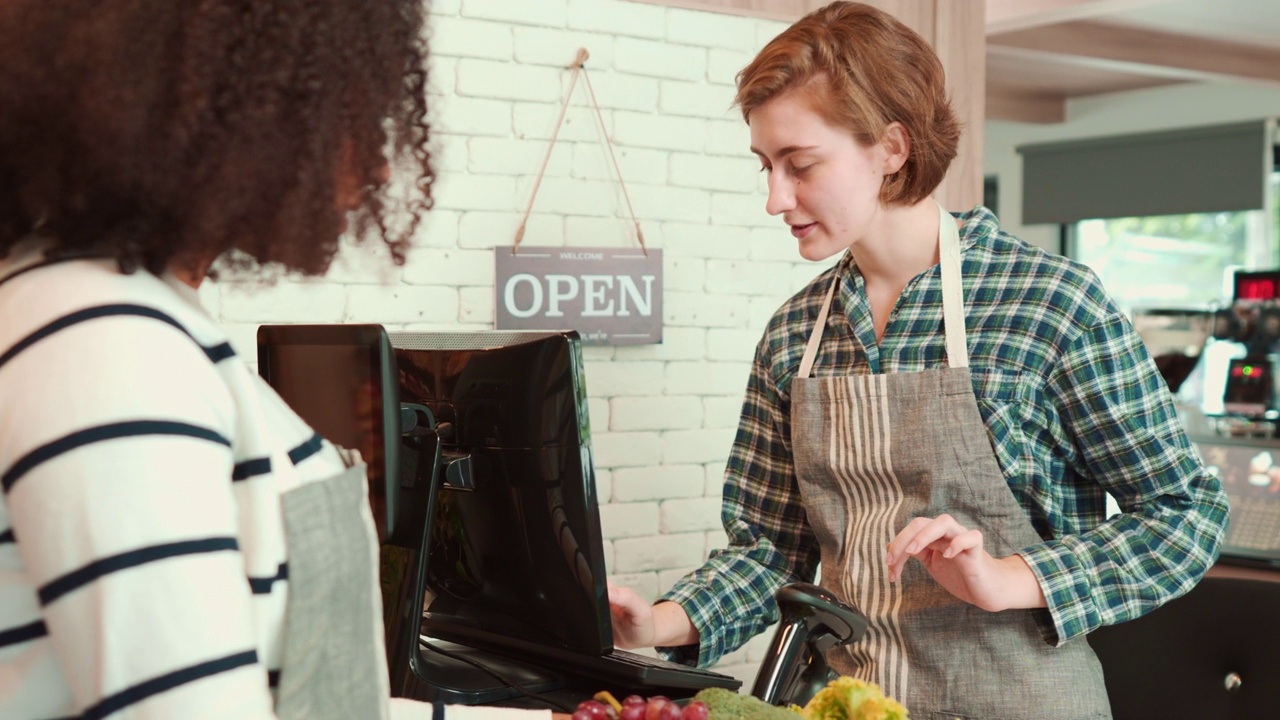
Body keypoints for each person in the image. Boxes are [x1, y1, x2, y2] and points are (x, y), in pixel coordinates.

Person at [607, 3, 1229, 718]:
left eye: (800, 165)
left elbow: (1186, 515)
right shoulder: (794, 334)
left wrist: (1010, 576)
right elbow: (769, 553)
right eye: (767, 166)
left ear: (893, 147)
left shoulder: (1049, 304)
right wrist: (656, 623)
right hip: (847, 704)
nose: (775, 198)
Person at [0, 2, 556, 719]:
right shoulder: (106, 346)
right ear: (223, 108)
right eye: (347, 109)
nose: (383, 162)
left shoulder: (120, 316)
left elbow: (309, 699)